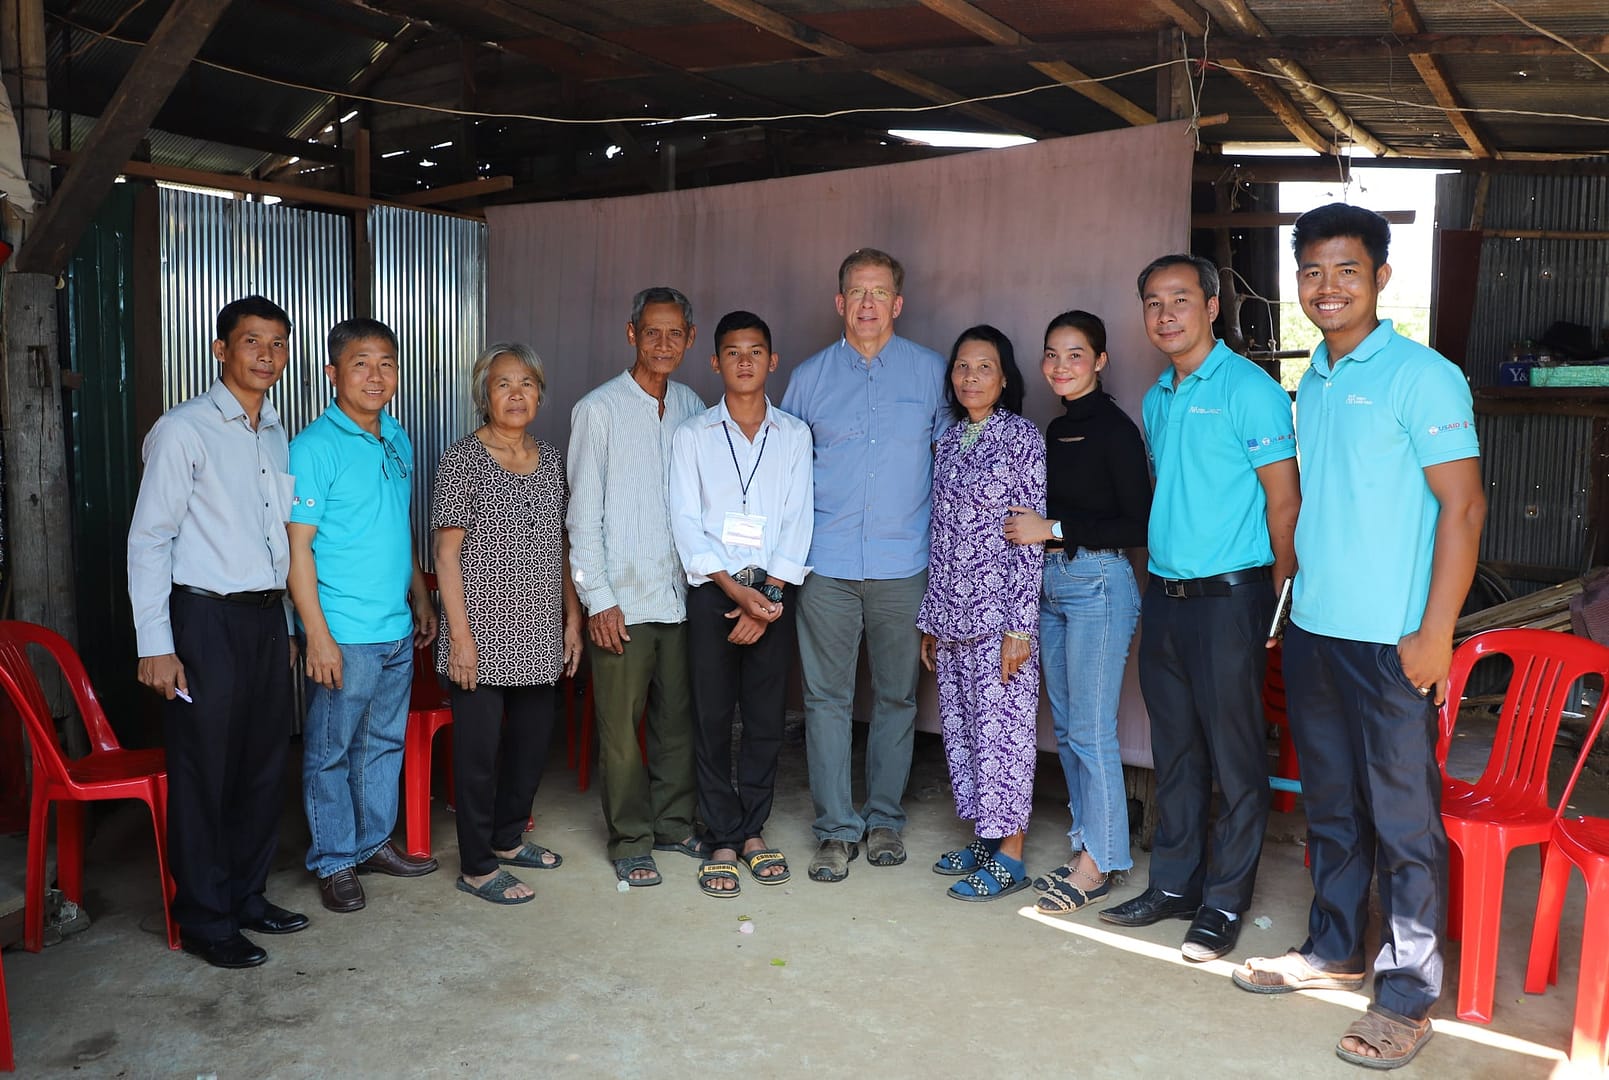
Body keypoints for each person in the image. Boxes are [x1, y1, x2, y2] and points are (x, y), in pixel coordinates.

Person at [1234, 204, 1484, 1071]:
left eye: (1346, 269)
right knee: (1333, 807)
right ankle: (1334, 947)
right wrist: (1291, 594)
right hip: (1315, 631)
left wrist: (1434, 633)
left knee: (1404, 821)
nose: (1327, 287)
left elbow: (1463, 508)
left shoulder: (1424, 376)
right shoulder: (1315, 380)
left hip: (1391, 641)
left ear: (1380, 277)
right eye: (1311, 271)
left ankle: (1407, 995)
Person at [1097, 254, 1300, 964]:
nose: (1165, 315)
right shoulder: (1158, 397)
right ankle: (1174, 886)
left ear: (1212, 307)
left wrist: (1280, 598)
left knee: (1235, 757)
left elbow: (1284, 500)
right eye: (1153, 302)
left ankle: (1223, 902)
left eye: (1180, 300)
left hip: (1231, 600)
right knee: (1176, 750)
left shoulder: (1250, 390)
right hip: (1167, 596)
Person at [127, 296, 307, 969]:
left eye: (278, 344)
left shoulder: (274, 432)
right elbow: (150, 539)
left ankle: (246, 897)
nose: (266, 356)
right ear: (221, 350)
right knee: (205, 770)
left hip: (264, 619)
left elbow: (277, 538)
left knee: (263, 764)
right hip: (203, 618)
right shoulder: (184, 430)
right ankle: (205, 916)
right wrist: (156, 645)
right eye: (252, 342)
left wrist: (288, 624)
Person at [780, 248, 948, 882]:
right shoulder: (809, 378)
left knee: (897, 697)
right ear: (840, 302)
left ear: (897, 304)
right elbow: (784, 474)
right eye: (857, 292)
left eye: (880, 292)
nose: (868, 303)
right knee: (825, 700)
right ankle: (834, 830)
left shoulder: (932, 373)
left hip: (904, 564)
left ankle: (883, 821)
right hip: (825, 565)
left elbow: (952, 468)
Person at [288, 317, 440, 914]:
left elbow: (398, 525)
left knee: (381, 743)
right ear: (333, 373)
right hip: (344, 633)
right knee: (330, 749)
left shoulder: (397, 437)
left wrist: (420, 595)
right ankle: (334, 861)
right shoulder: (313, 448)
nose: (375, 376)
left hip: (395, 628)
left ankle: (372, 842)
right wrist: (316, 635)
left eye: (386, 364)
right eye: (360, 364)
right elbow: (297, 548)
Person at [1002, 311, 1151, 915]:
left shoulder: (1115, 430)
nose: (1060, 366)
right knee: (1066, 730)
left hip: (1099, 585)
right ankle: (1089, 843)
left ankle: (1100, 864)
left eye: (1075, 355)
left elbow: (1139, 523)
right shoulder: (1055, 428)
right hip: (1052, 585)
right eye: (1052, 355)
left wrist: (1053, 529)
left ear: (1100, 361)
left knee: (1091, 731)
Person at [432, 342, 583, 905]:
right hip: (481, 632)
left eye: (526, 383)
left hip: (539, 628)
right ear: (484, 395)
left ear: (539, 393)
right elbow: (446, 554)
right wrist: (461, 638)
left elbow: (560, 546)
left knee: (530, 745)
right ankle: (476, 866)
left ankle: (508, 837)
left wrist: (572, 617)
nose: (516, 394)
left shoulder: (551, 460)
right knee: (477, 756)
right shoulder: (461, 459)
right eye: (503, 384)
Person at [669, 311, 813, 899]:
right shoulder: (693, 435)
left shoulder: (794, 435)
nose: (745, 361)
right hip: (715, 592)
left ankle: (753, 829)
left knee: (764, 717)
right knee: (710, 715)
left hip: (773, 592)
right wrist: (736, 593)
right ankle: (721, 835)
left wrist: (768, 598)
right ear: (715, 362)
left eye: (756, 351)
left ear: (772, 361)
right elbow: (685, 522)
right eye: (733, 352)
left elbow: (799, 518)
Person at [567, 287, 706, 887]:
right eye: (652, 332)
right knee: (621, 730)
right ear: (631, 335)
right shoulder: (597, 409)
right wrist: (597, 600)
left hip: (680, 595)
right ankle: (630, 838)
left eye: (675, 333)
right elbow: (581, 515)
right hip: (621, 599)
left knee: (676, 721)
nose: (663, 344)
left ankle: (673, 824)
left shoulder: (692, 405)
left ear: (690, 339)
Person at [918, 325, 1045, 901]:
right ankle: (985, 838)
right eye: (962, 366)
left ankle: (1011, 855)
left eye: (984, 367)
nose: (971, 377)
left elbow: (1029, 536)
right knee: (965, 732)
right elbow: (939, 533)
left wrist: (1021, 625)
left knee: (1004, 736)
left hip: (999, 618)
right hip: (951, 617)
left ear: (1005, 378)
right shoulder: (948, 442)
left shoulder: (1021, 438)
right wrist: (931, 618)